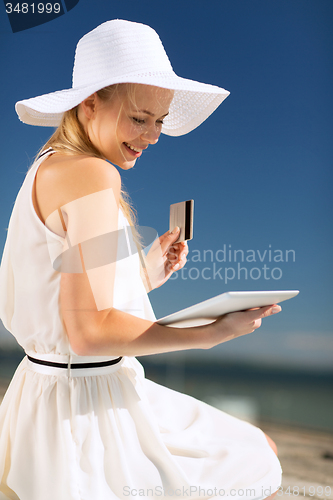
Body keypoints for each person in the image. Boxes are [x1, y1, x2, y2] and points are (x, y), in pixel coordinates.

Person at [0, 19, 282, 500]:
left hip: (42, 399)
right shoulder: (93, 175)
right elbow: (87, 333)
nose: (152, 135)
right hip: (88, 412)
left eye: (161, 120)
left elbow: (65, 298)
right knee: (258, 458)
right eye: (139, 118)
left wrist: (145, 275)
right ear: (90, 103)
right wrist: (210, 333)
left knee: (256, 448)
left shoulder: (51, 166)